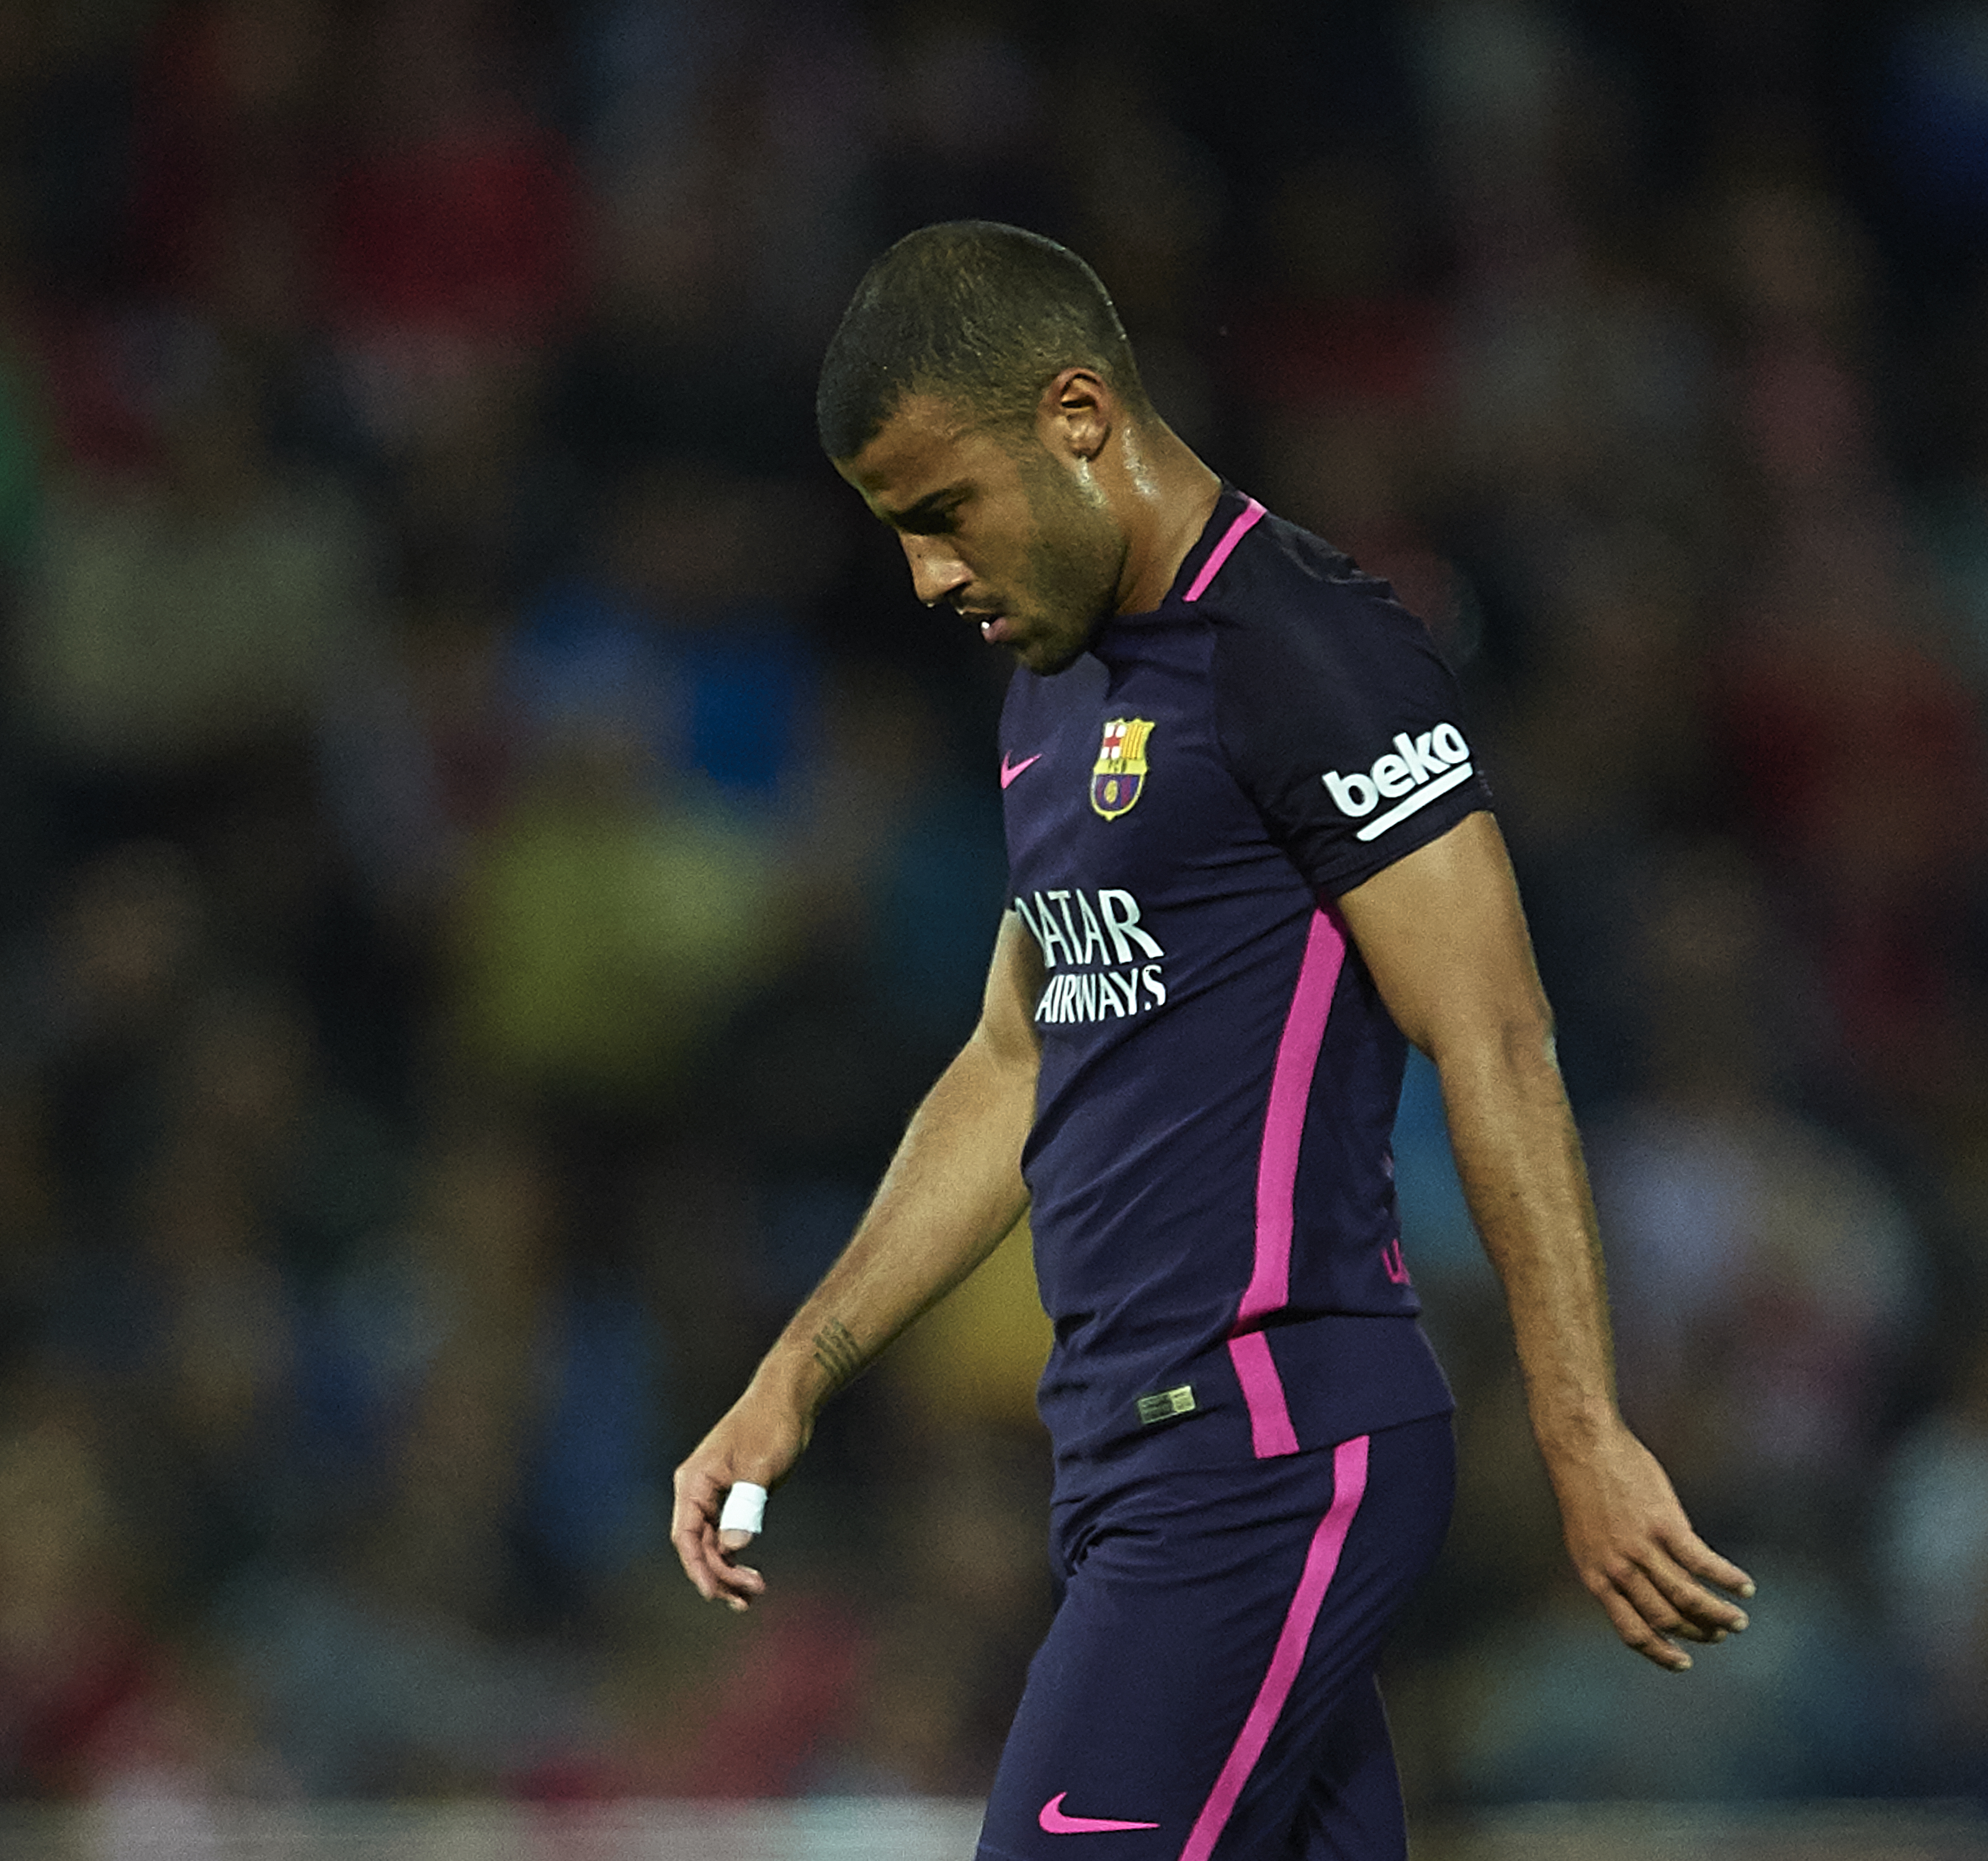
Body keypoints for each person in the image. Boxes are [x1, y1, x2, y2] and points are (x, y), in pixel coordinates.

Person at [667, 221, 1754, 1860]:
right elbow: (1018, 1056)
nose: (928, 577)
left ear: (1078, 417)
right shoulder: (1053, 687)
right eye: (897, 533)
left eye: (943, 512)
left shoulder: (1309, 646)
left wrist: (1581, 1432)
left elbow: (1496, 1034)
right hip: (1126, 1460)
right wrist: (796, 1372)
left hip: (1265, 1447)